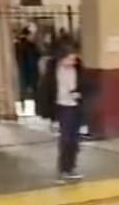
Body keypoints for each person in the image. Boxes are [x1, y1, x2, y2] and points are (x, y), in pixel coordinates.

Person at [36, 44, 86, 181]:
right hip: (62, 107)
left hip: (76, 106)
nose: (72, 62)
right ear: (61, 58)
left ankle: (71, 167)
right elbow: (45, 91)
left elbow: (86, 86)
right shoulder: (52, 71)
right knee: (66, 138)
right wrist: (48, 114)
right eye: (69, 59)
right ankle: (64, 168)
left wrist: (80, 94)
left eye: (74, 59)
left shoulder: (78, 70)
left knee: (75, 139)